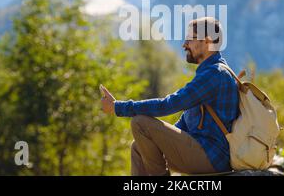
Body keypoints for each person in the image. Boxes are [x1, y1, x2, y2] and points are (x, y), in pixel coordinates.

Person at [100, 17, 239, 175]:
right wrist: (159, 138)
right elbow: (185, 124)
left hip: (211, 157)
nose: (184, 44)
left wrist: (118, 107)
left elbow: (169, 104)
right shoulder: (209, 73)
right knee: (139, 147)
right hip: (200, 152)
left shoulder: (215, 75)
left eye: (190, 39)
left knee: (140, 123)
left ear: (207, 42)